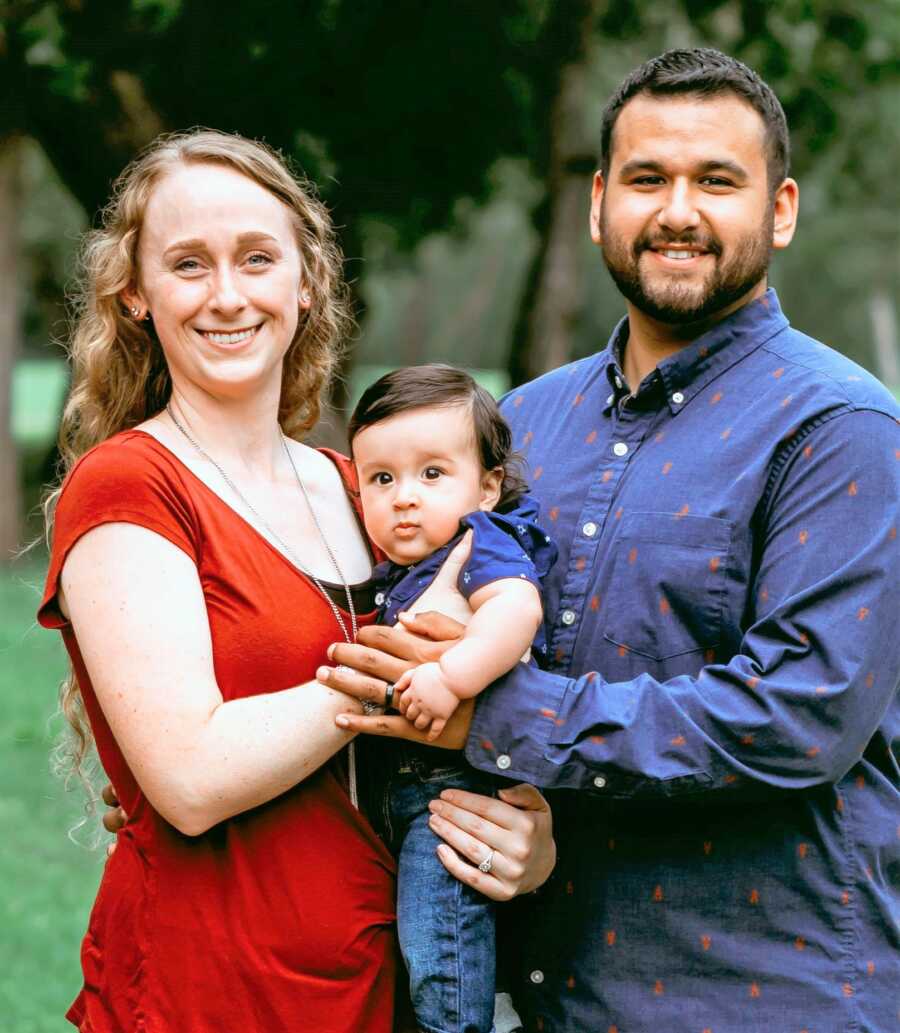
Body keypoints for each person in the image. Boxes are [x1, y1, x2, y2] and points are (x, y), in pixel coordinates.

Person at [321, 49, 900, 1032]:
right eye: (647, 179)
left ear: (783, 209)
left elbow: (802, 713)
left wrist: (495, 717)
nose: (678, 210)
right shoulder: (523, 428)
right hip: (553, 987)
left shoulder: (841, 427)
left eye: (717, 180)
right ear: (599, 205)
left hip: (769, 995)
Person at [38, 129, 553, 1032]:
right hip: (214, 993)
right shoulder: (129, 485)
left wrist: (530, 834)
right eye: (188, 264)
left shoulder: (365, 489)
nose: (227, 295)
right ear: (135, 296)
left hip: (386, 983)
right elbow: (191, 776)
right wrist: (399, 663)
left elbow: (481, 698)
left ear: (304, 281)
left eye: (257, 258)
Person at [347, 363, 557, 1033]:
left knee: (442, 937)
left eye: (431, 474)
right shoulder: (398, 569)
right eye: (382, 479)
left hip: (455, 793)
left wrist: (451, 675)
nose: (403, 497)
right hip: (399, 790)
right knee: (413, 934)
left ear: (487, 486)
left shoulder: (479, 543)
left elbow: (515, 610)